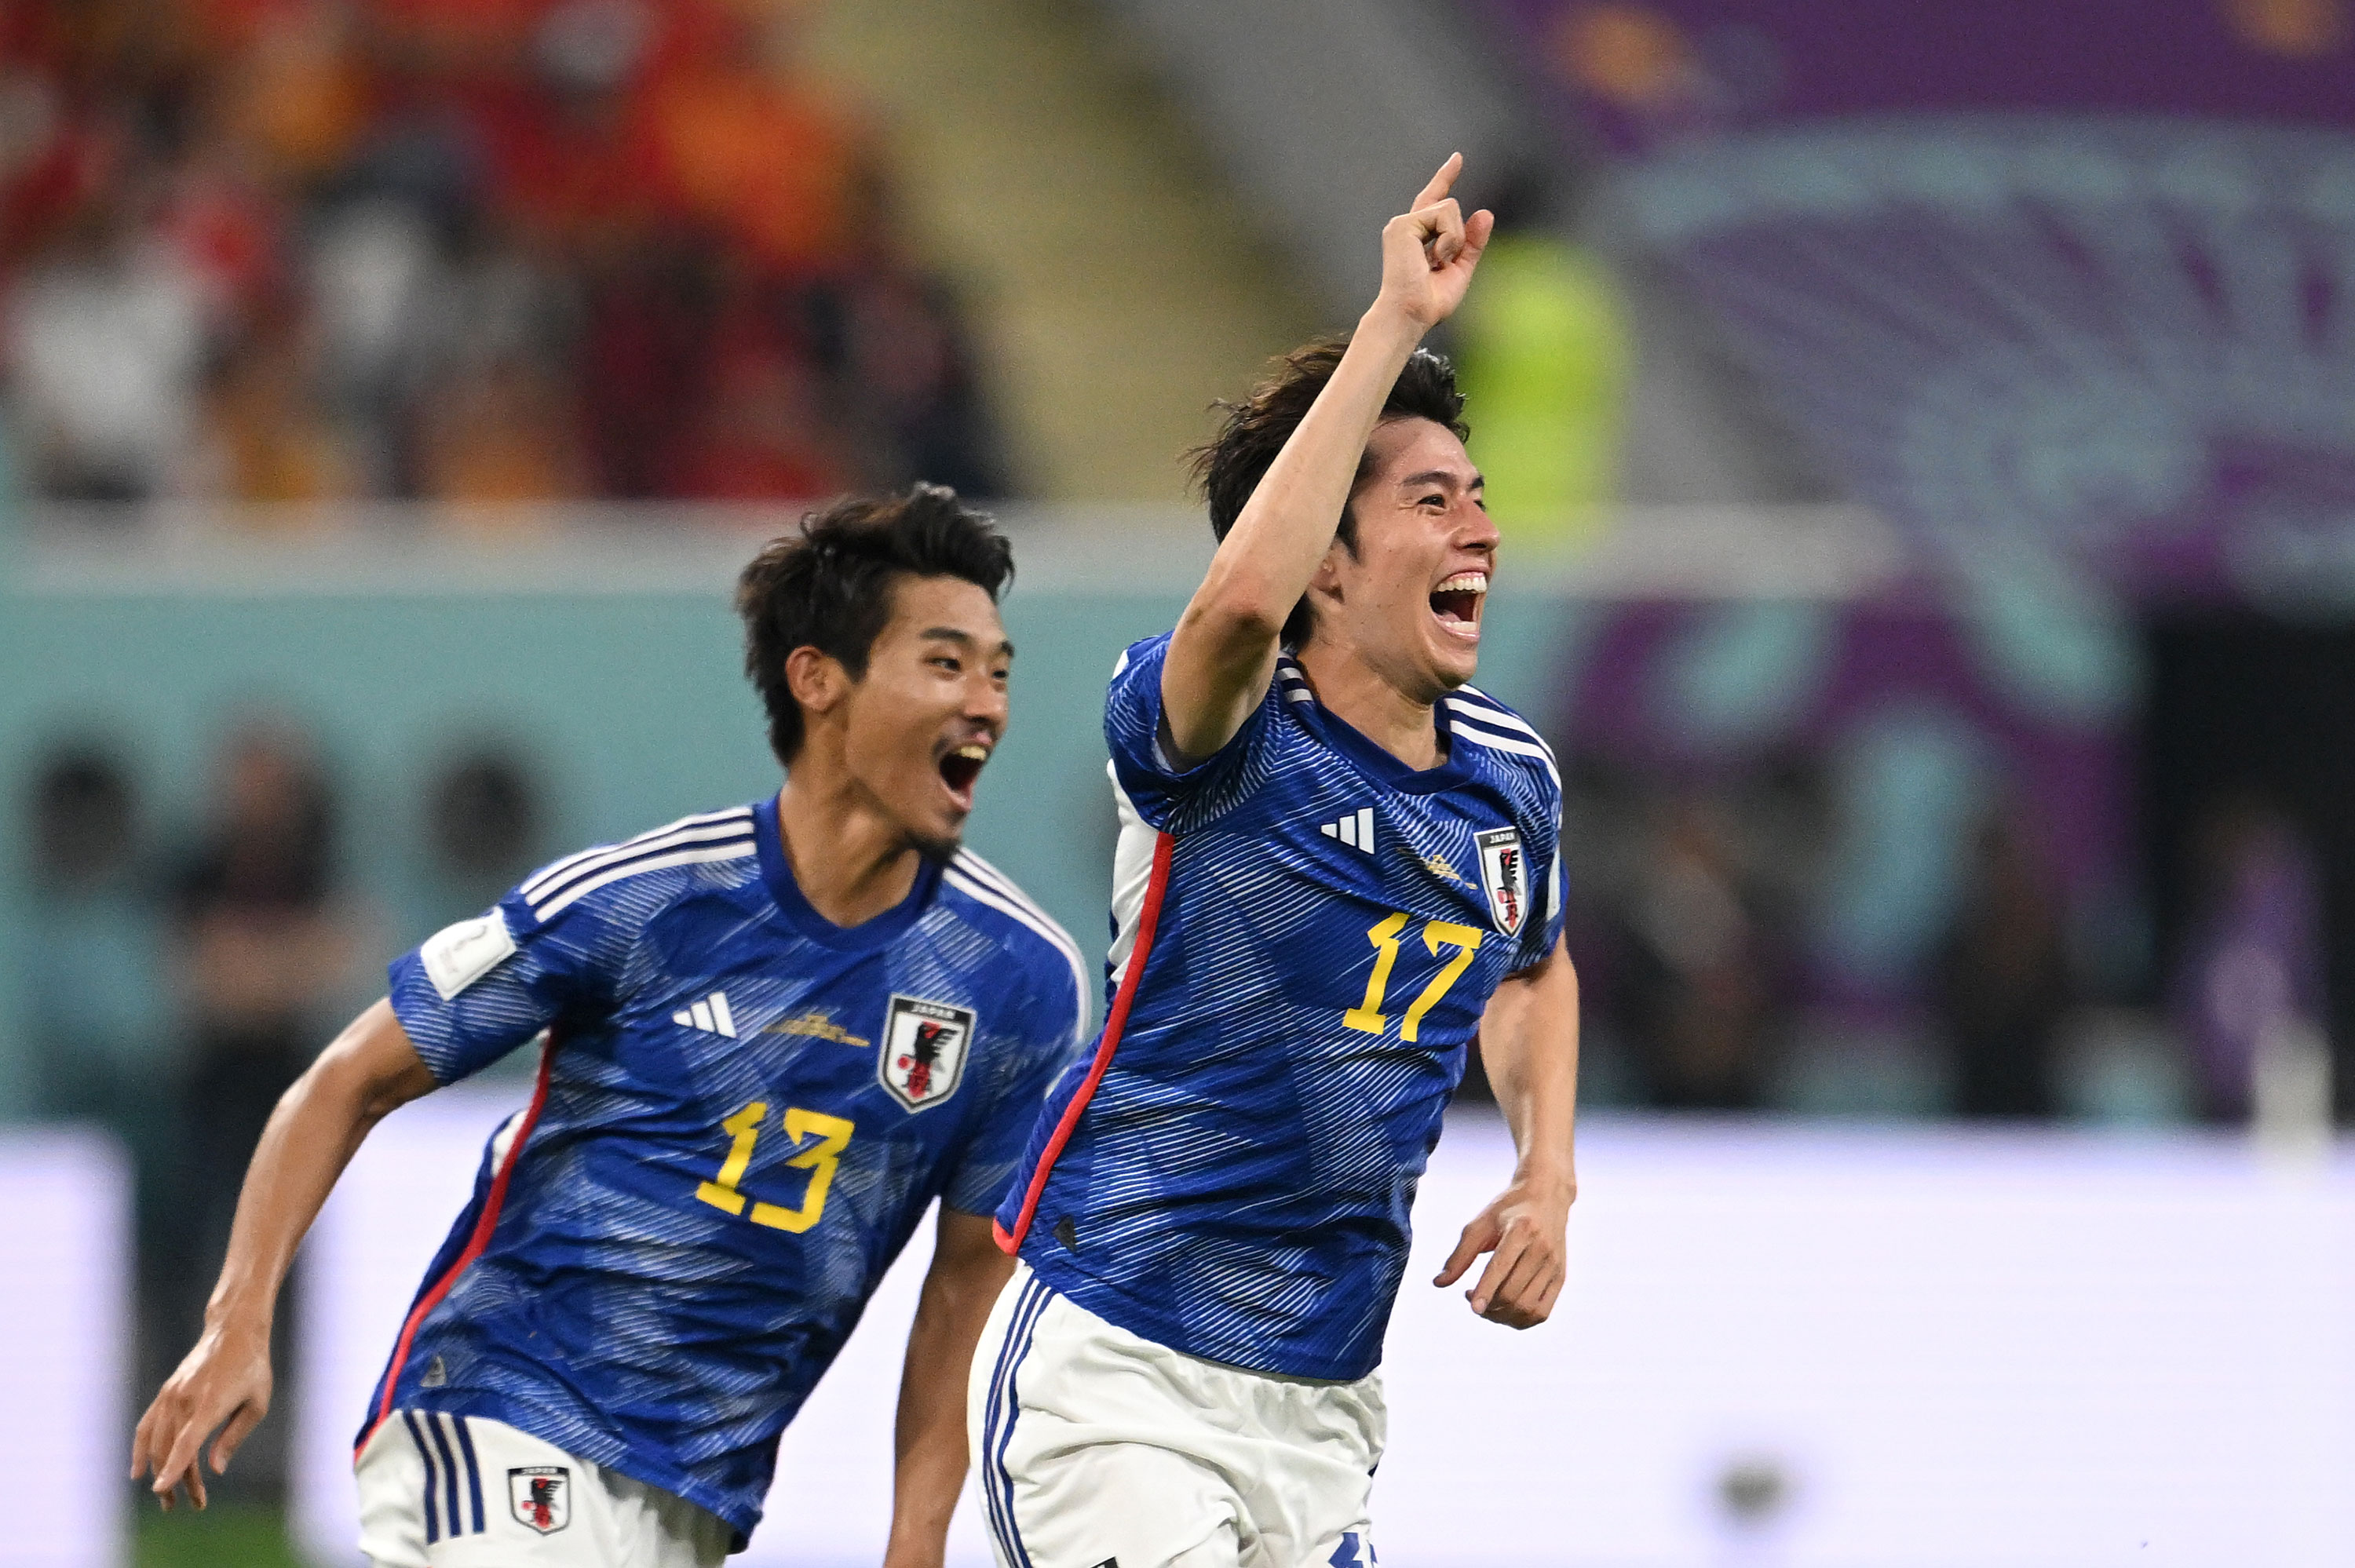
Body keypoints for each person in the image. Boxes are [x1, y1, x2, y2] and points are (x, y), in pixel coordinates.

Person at [132, 485, 1089, 1568]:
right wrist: (236, 1318)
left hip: (699, 1494)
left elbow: (967, 1279)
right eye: (947, 662)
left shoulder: (1018, 984)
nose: (986, 704)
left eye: (999, 671)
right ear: (818, 677)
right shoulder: (646, 902)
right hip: (505, 1409)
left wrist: (917, 1538)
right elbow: (349, 1078)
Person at [973, 158, 1581, 1567]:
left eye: (1478, 498)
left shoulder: (1511, 782)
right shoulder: (1223, 730)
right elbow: (1241, 596)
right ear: (1328, 558)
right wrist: (1394, 328)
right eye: (1433, 501)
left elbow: (1531, 968)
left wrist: (1548, 1170)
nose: (1480, 528)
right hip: (1126, 1369)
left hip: (1325, 1404)